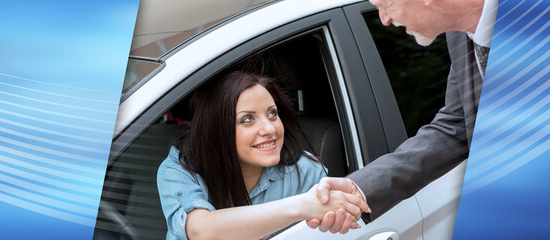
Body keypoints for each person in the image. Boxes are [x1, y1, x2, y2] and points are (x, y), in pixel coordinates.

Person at [307, 0, 498, 233]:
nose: (384, 19)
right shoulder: (459, 38)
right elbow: (455, 126)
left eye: (384, 3)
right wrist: (361, 187)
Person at [156, 71, 370, 239]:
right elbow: (200, 231)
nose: (269, 128)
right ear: (217, 130)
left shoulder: (305, 171)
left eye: (272, 114)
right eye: (247, 119)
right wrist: (302, 205)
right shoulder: (180, 169)